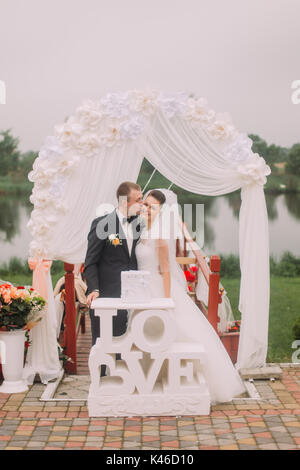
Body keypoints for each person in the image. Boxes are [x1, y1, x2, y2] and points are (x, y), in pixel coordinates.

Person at [135, 188, 246, 403]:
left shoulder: (159, 235)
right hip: (142, 288)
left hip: (158, 289)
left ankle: (184, 379)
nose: (147, 209)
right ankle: (151, 377)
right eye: (145, 205)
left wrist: (165, 300)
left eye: (152, 207)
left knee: (173, 331)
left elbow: (166, 270)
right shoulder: (143, 230)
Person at [83, 181, 144, 375]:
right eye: (139, 199)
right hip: (107, 294)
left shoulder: (140, 224)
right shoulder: (101, 224)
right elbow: (90, 262)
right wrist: (93, 289)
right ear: (125, 202)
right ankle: (100, 385)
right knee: (102, 343)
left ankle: (122, 382)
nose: (142, 204)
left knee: (127, 343)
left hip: (134, 295)